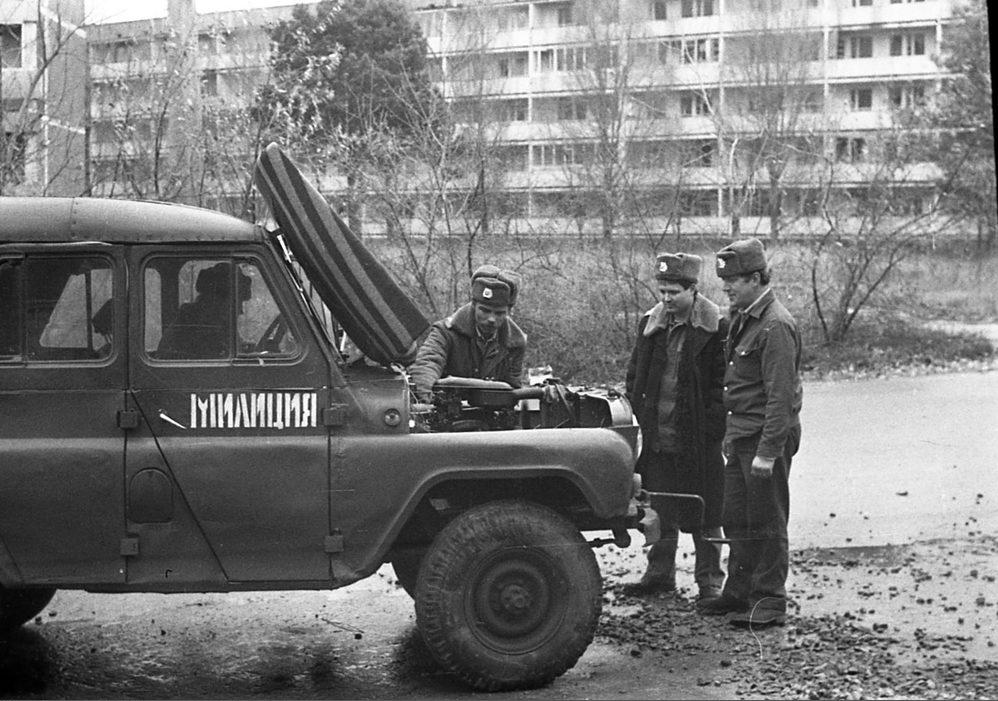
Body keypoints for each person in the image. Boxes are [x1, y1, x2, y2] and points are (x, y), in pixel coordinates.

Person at [700, 238, 803, 629]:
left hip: (763, 439)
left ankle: (769, 600)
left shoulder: (775, 324)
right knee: (737, 518)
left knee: (767, 521)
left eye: (734, 280)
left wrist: (768, 451)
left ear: (757, 278)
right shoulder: (744, 316)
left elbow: (781, 397)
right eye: (725, 280)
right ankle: (738, 592)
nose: (726, 287)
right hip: (742, 435)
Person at [624, 252, 728, 603]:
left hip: (698, 440)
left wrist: (711, 429)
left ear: (692, 290)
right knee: (660, 509)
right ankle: (659, 575)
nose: (666, 299)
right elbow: (635, 374)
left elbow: (722, 385)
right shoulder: (650, 324)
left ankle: (709, 582)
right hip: (658, 438)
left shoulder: (716, 327)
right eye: (663, 291)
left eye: (674, 292)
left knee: (706, 511)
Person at [408, 265, 526, 401]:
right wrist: (425, 398)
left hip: (492, 410)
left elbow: (513, 386)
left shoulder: (515, 342)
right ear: (473, 305)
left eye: (499, 313)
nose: (491, 319)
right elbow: (427, 364)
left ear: (509, 312)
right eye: (485, 310)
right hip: (446, 407)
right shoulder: (445, 332)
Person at [158, 262, 251, 359]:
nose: (241, 311)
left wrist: (243, 347)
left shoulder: (211, 323)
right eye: (237, 302)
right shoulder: (196, 329)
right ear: (218, 300)